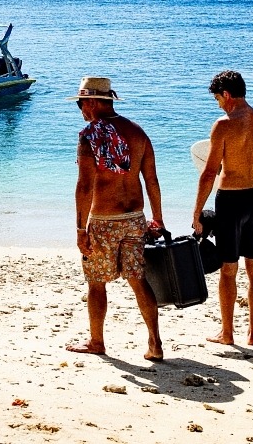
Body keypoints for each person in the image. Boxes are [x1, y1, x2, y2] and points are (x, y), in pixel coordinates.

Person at [67, 76, 164, 361]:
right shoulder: (138, 132)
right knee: (138, 279)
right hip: (135, 218)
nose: (81, 110)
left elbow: (85, 186)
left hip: (104, 221)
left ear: (94, 102)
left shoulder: (89, 135)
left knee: (97, 283)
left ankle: (97, 342)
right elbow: (152, 181)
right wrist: (157, 219)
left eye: (81, 103)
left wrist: (80, 228)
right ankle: (155, 344)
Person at [192, 70, 253, 347]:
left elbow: (209, 173)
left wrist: (197, 213)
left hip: (230, 202)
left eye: (218, 98)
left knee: (228, 271)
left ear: (227, 95)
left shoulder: (223, 125)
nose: (218, 103)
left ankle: (227, 333)